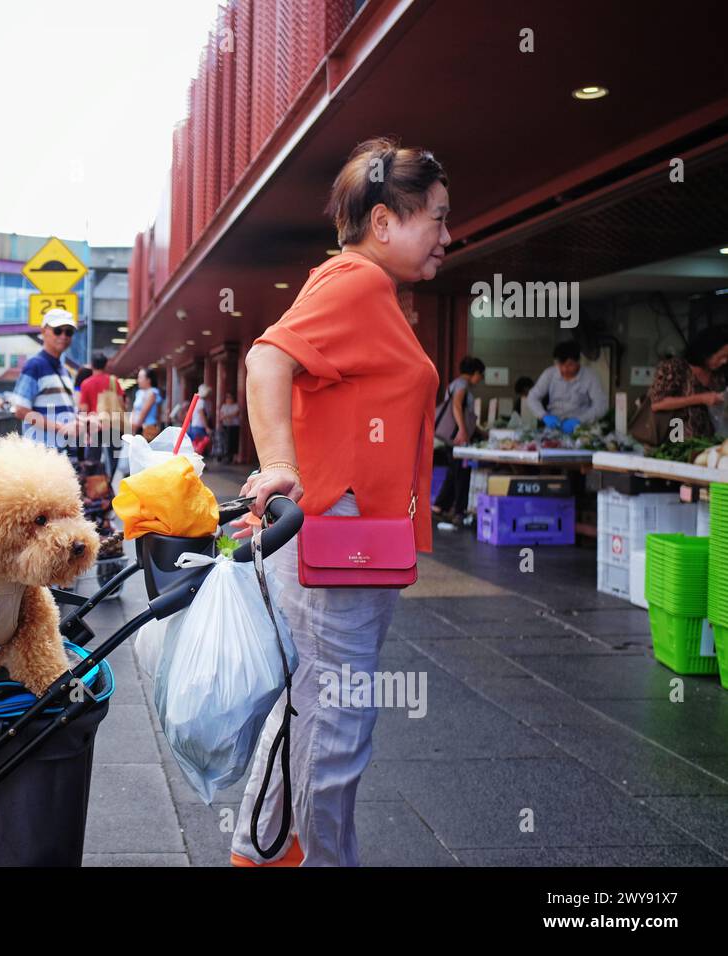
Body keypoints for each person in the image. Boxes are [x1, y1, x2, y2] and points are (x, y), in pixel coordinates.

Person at [231, 137, 446, 868]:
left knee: (313, 707)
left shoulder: (367, 288)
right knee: (338, 717)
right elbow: (267, 356)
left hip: (349, 537)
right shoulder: (355, 280)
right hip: (341, 538)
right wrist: (280, 464)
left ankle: (264, 853)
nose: (448, 237)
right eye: (437, 220)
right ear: (384, 221)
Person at [13, 308, 81, 456]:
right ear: (44, 331)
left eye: (68, 332)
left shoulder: (65, 371)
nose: (63, 336)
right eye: (58, 330)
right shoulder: (34, 365)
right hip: (42, 456)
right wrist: (61, 428)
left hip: (61, 454)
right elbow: (20, 410)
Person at [646, 325, 728, 440]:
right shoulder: (675, 368)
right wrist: (701, 398)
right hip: (675, 442)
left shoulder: (718, 375)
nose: (724, 361)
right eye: (721, 356)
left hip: (709, 446)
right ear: (707, 352)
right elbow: (657, 404)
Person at [432, 355, 485, 528]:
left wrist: (480, 432)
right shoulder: (462, 385)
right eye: (481, 375)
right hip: (457, 438)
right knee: (461, 474)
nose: (480, 379)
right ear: (475, 372)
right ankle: (459, 512)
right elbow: (456, 405)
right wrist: (463, 430)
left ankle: (440, 506)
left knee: (454, 473)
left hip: (453, 437)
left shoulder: (455, 383)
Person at [524, 341, 607, 433]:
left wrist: (580, 420)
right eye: (560, 364)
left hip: (581, 429)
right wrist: (544, 416)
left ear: (578, 361)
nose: (564, 369)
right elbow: (532, 397)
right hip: (554, 428)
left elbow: (601, 405)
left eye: (570, 365)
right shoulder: (549, 374)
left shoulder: (590, 377)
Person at [128, 367, 163, 441]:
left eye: (140, 378)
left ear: (148, 380)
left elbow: (143, 413)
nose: (138, 380)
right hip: (137, 428)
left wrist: (133, 429)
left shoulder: (152, 393)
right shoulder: (139, 392)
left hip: (148, 429)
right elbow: (134, 410)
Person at [186, 383, 213, 452]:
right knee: (200, 445)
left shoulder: (197, 401)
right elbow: (202, 415)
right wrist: (206, 427)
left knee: (195, 445)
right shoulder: (201, 402)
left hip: (194, 425)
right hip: (199, 426)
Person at [218, 393, 242, 462]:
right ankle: (226, 456)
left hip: (234, 426)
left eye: (230, 398)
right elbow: (221, 416)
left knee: (234, 441)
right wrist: (227, 416)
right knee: (225, 441)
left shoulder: (235, 406)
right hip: (226, 426)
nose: (228, 399)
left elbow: (236, 413)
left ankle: (234, 458)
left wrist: (226, 416)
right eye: (227, 398)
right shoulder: (224, 406)